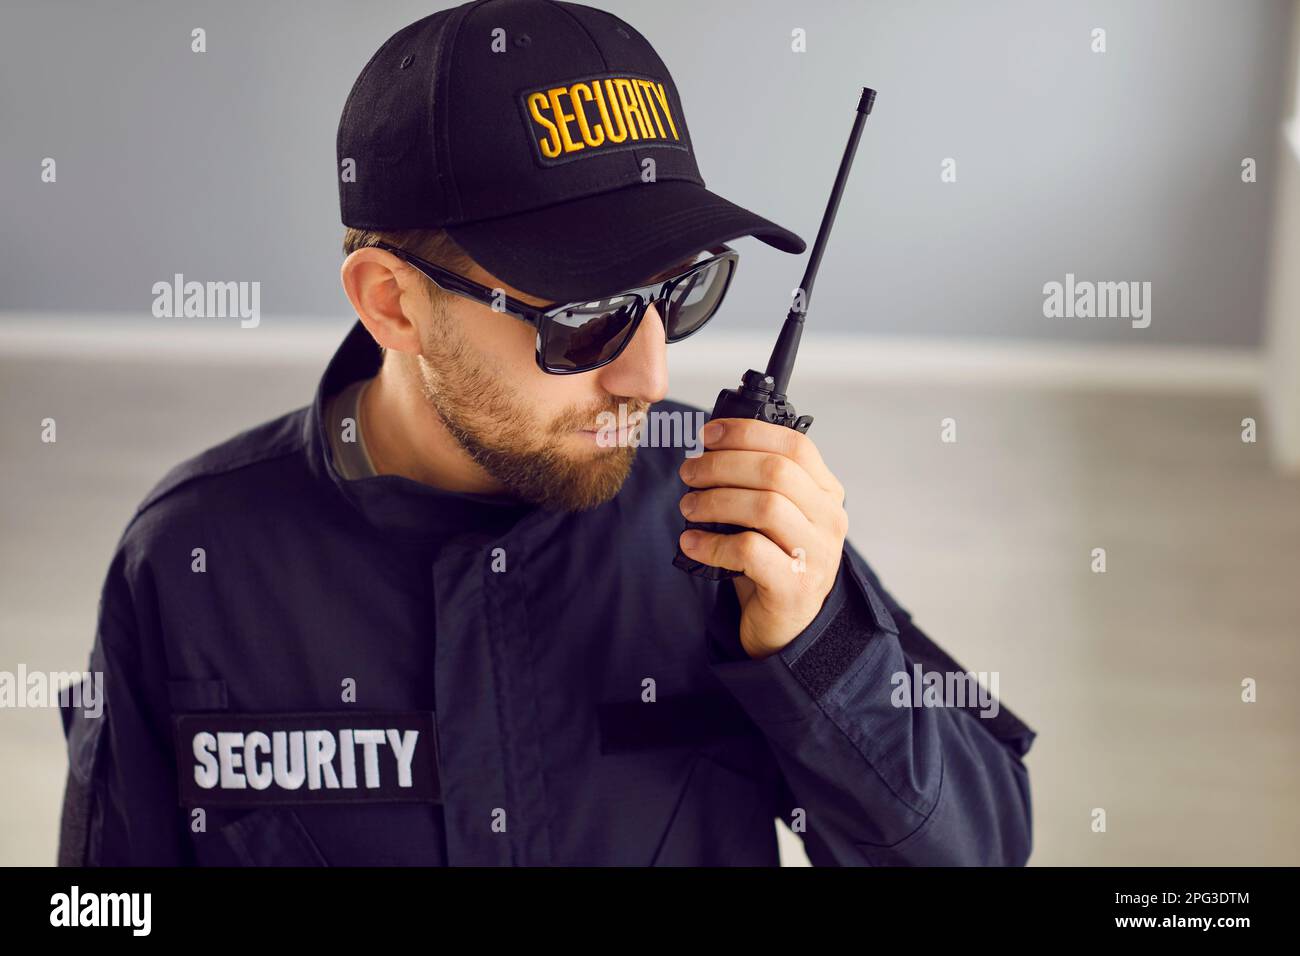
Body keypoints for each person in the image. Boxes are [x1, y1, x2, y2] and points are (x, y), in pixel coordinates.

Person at [57, 0, 1035, 866]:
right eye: (582, 318)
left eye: (677, 291)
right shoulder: (193, 561)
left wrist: (819, 645)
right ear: (392, 304)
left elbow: (978, 850)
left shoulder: (729, 520)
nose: (650, 375)